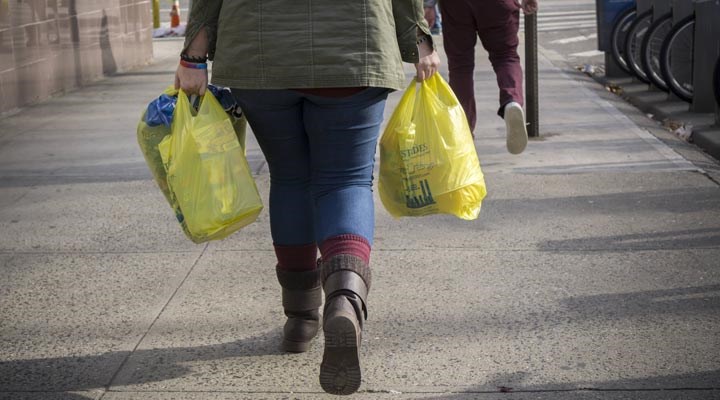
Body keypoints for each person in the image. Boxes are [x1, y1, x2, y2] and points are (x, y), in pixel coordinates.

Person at [175, 1, 441, 396]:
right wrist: (418, 40)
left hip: (259, 49)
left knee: (289, 177)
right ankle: (345, 301)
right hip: (355, 44)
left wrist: (194, 55)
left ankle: (300, 319)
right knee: (346, 180)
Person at [426, 0, 538, 154]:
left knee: (460, 67)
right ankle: (512, 101)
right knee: (506, 56)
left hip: (456, 5)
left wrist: (428, 4)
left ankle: (463, 131)